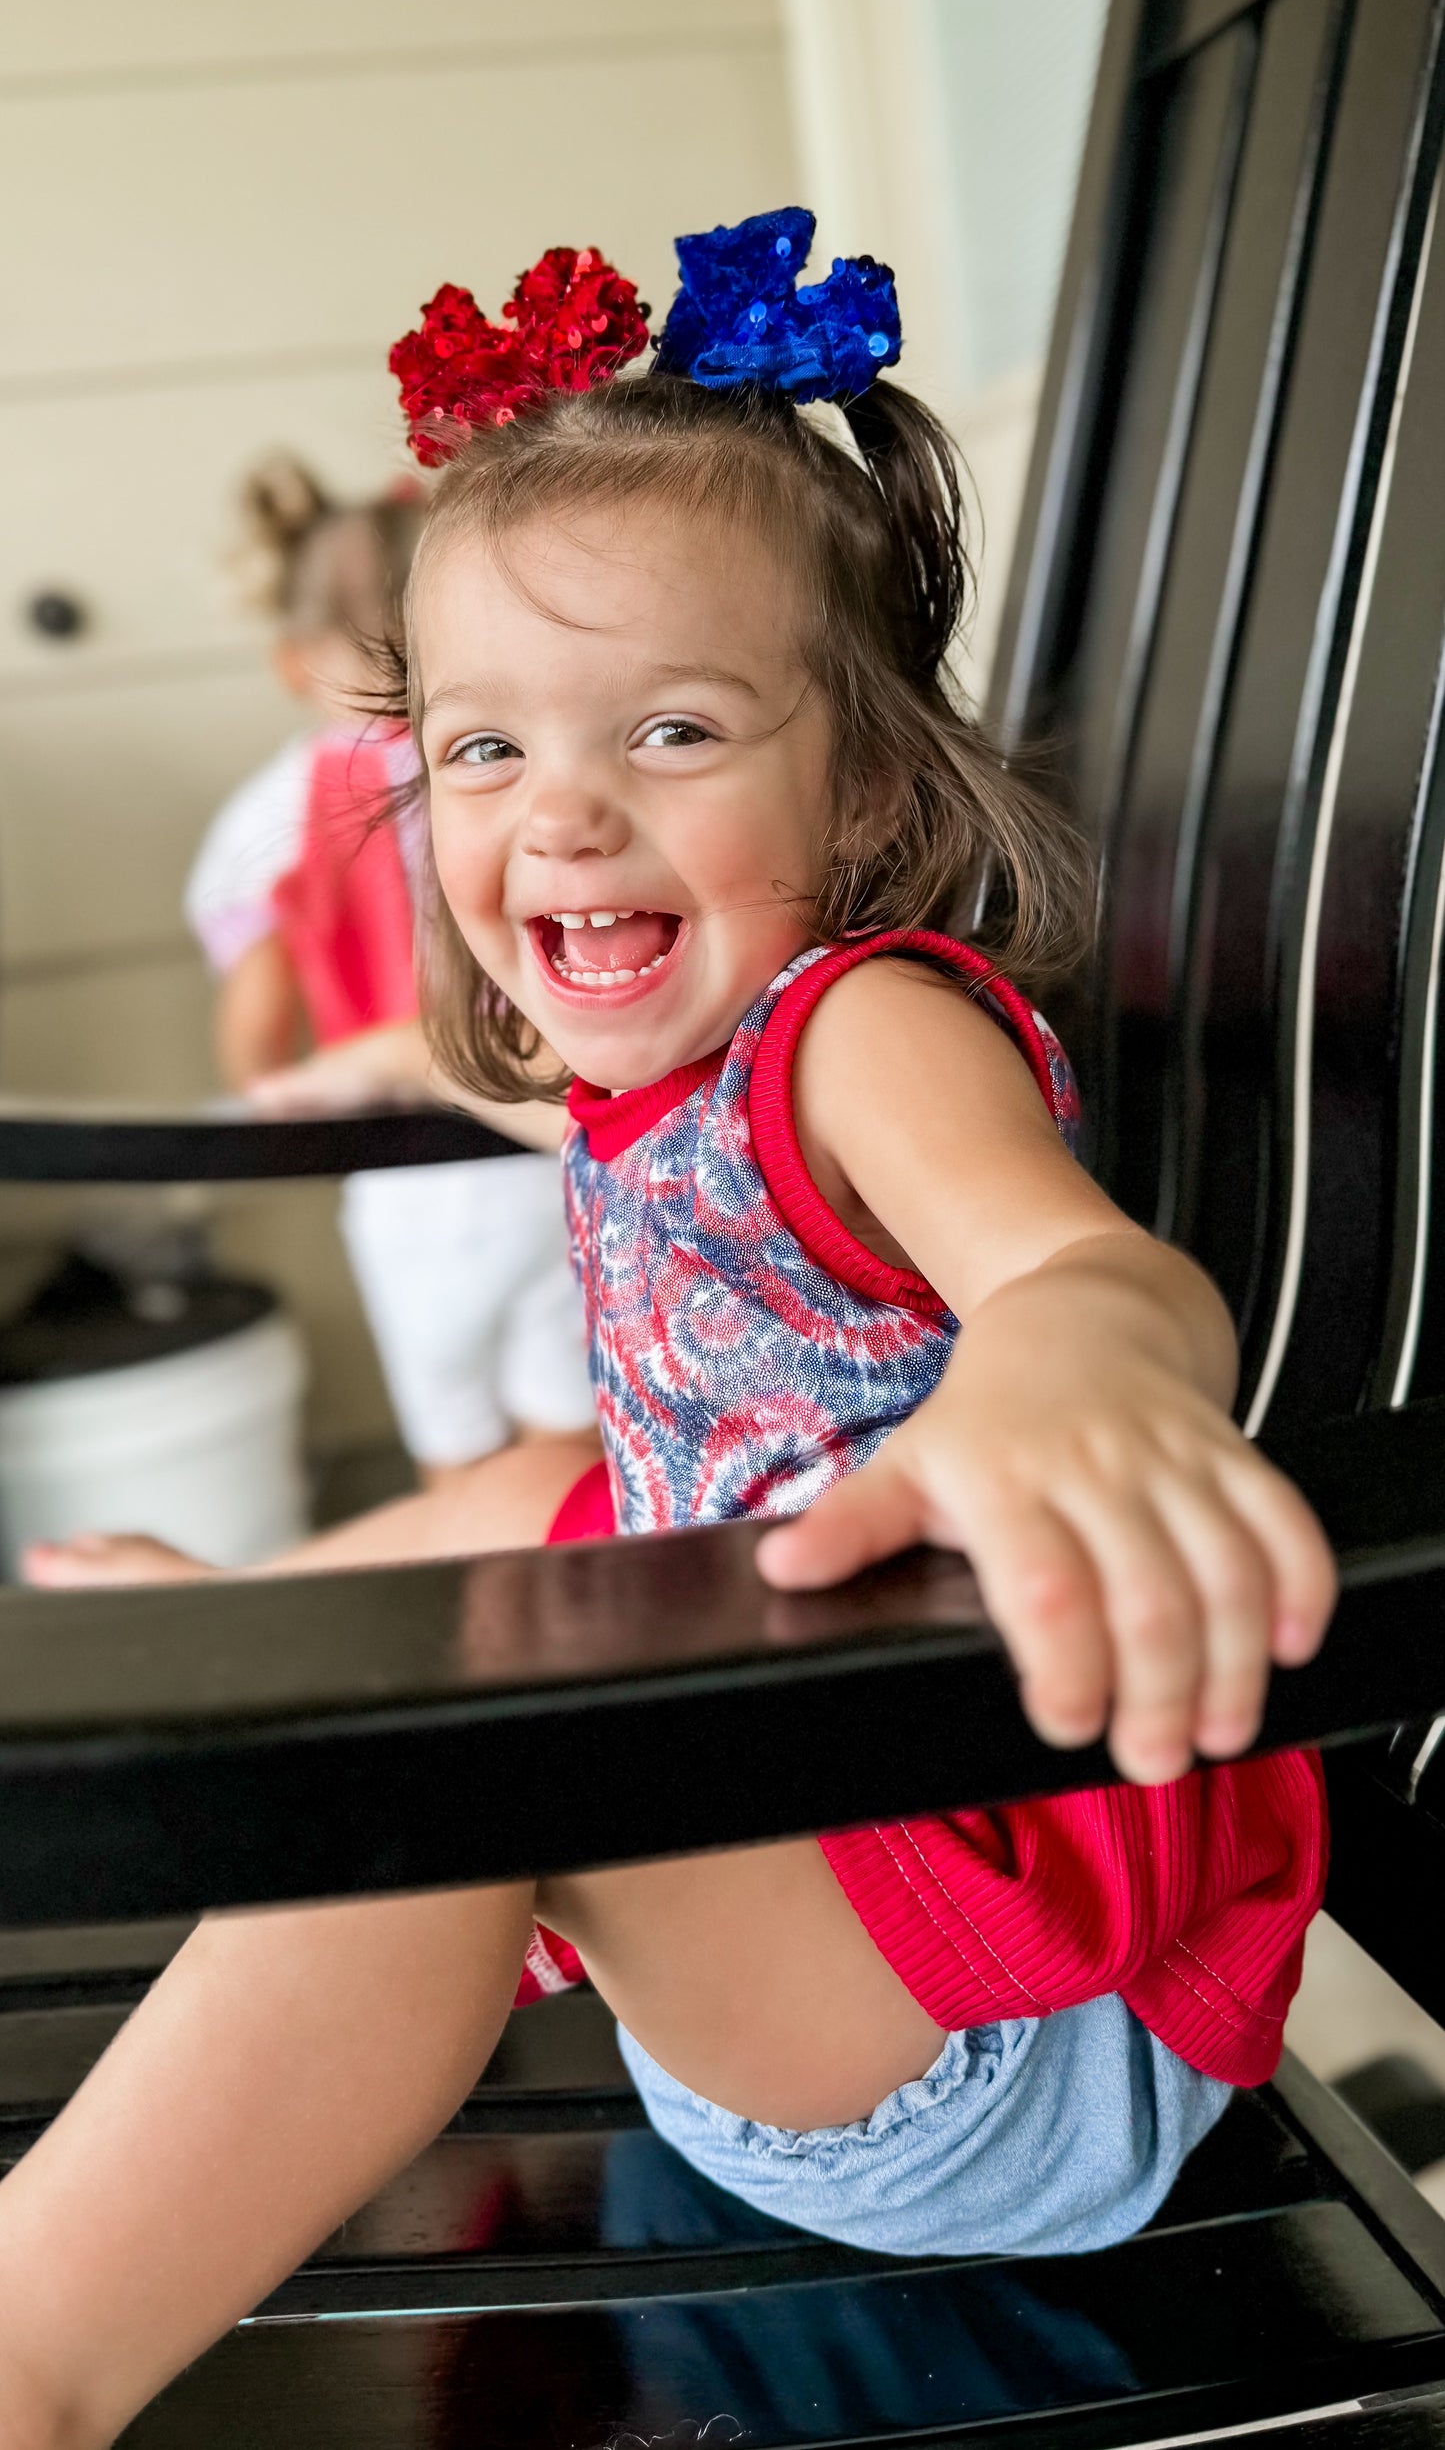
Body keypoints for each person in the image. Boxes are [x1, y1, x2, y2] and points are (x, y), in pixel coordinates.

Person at [0, 212, 1338, 2447]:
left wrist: (1067, 1368)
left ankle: (33, 2355)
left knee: (469, 1755)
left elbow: (1079, 1270)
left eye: (673, 727)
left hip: (988, 2030)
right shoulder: (664, 1068)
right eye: (484, 749)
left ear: (866, 788)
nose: (564, 808)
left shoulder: (861, 1030)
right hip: (835, 1906)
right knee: (544, 1497)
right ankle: (237, 1648)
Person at [184, 454, 596, 1486]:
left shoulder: (273, 812)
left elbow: (257, 1015)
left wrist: (270, 1090)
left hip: (406, 1178)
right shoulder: (499, 761)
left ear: (292, 660)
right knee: (570, 1433)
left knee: (453, 1442)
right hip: (548, 1128)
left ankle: (480, 1608)